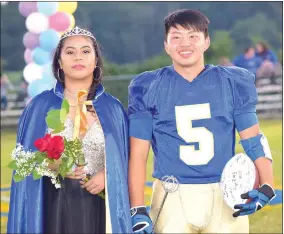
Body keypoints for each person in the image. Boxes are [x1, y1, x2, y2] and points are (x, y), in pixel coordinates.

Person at [128, 9, 275, 233]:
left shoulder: (232, 82)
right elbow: (138, 153)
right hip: (171, 192)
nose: (185, 44)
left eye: (193, 36)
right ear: (166, 45)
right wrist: (137, 208)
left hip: (225, 190)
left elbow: (253, 139)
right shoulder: (148, 87)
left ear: (206, 41)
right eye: (176, 37)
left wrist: (267, 184)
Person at [8, 26, 132, 234]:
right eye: (70, 52)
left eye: (85, 51)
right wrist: (51, 165)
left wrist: (107, 175)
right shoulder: (39, 106)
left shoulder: (113, 109)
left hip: (99, 210)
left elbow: (127, 159)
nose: (78, 58)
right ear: (59, 62)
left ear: (96, 60)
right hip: (50, 208)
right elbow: (24, 162)